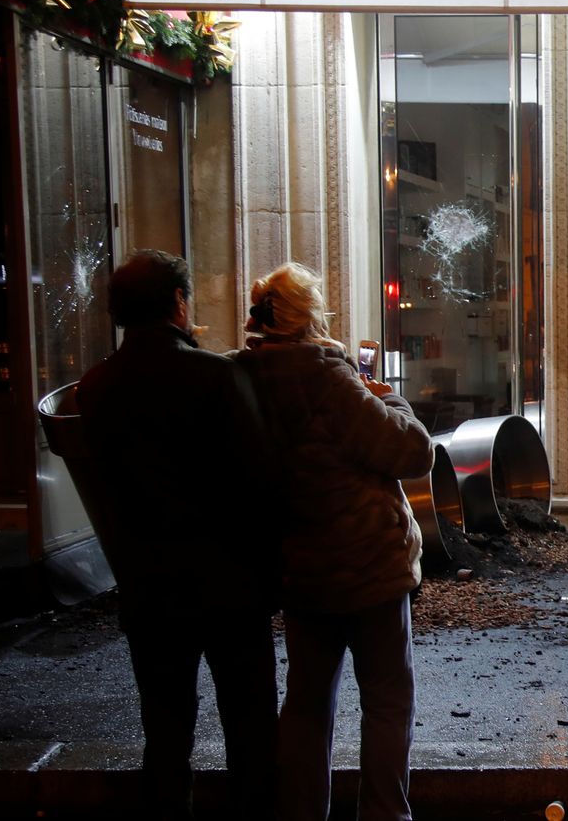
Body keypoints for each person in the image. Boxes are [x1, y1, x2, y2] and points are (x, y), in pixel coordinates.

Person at [77, 250, 279, 819]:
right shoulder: (216, 375)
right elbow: (260, 477)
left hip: (148, 589)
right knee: (250, 728)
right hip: (229, 585)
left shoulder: (94, 387)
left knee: (165, 732)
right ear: (178, 303)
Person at [232, 262, 432, 821]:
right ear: (310, 316)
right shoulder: (326, 375)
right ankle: (385, 815)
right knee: (387, 702)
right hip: (367, 567)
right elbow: (412, 452)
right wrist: (388, 397)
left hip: (300, 570)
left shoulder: (245, 376)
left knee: (306, 704)